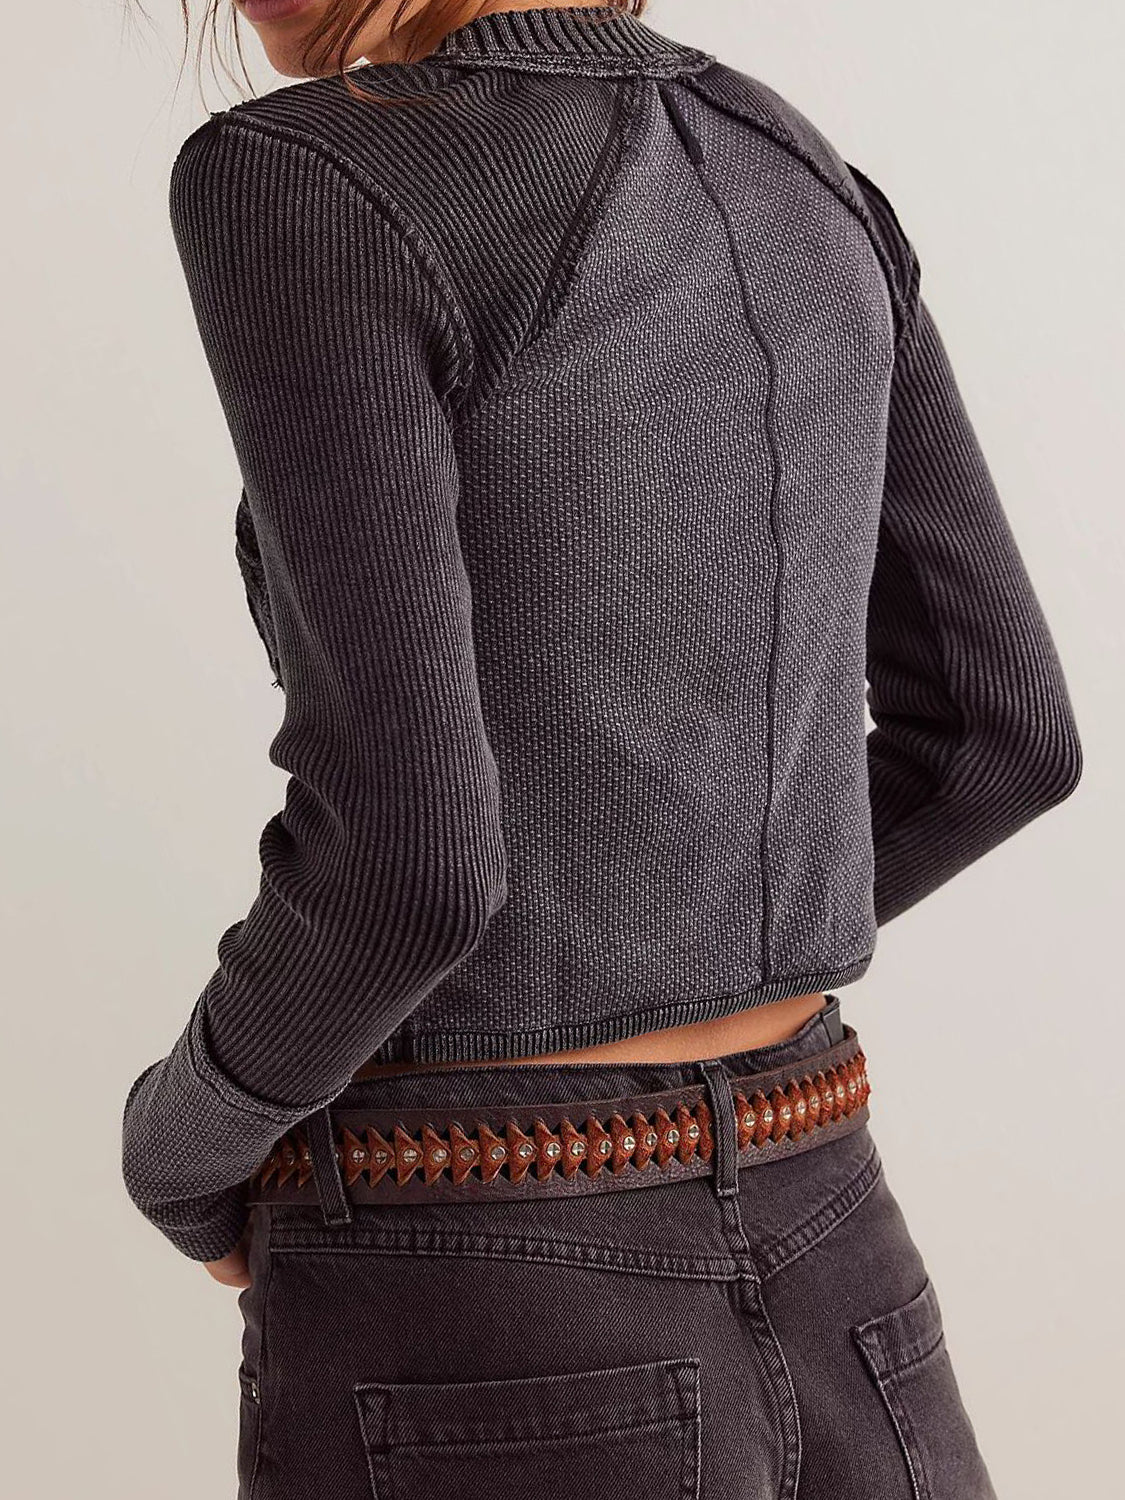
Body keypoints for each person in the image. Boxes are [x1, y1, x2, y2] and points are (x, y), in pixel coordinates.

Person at [120, 3, 1082, 1495]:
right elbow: (999, 740)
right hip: (838, 1236)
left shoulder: (308, 173)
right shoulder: (800, 170)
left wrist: (185, 1147)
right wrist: (673, 936)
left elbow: (408, 868)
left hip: (479, 1278)